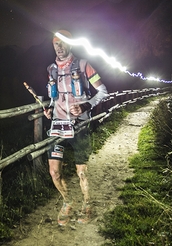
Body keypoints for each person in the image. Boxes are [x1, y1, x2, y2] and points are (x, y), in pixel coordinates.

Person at [43, 30, 108, 226]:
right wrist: (50, 109)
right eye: (56, 44)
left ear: (69, 44)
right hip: (58, 127)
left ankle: (87, 205)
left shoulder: (83, 65)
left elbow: (103, 91)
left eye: (62, 43)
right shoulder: (51, 69)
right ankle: (67, 202)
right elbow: (55, 97)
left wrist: (85, 105)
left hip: (79, 126)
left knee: (82, 171)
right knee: (54, 172)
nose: (59, 47)